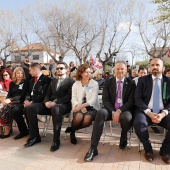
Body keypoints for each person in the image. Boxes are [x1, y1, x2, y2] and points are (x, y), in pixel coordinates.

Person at [84, 61, 136, 162]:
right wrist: (113, 111)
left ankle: (123, 134)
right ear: (114, 70)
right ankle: (93, 148)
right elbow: (105, 99)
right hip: (110, 109)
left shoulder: (131, 83)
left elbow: (131, 101)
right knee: (100, 113)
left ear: (126, 70)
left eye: (122, 69)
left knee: (127, 118)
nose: (120, 71)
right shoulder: (108, 81)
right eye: (117, 69)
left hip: (124, 109)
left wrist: (119, 111)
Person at [24, 62, 74, 152]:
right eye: (57, 68)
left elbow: (68, 97)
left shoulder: (71, 82)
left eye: (61, 68)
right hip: (50, 105)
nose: (58, 70)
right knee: (30, 108)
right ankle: (35, 137)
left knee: (56, 108)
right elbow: (47, 94)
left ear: (66, 70)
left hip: (63, 105)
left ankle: (56, 140)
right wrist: (46, 102)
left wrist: (56, 103)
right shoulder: (53, 81)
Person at [134, 57, 170, 164]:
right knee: (138, 123)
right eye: (152, 65)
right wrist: (149, 113)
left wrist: (163, 114)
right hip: (146, 111)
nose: (154, 67)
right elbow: (138, 99)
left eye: (157, 65)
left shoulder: (168, 81)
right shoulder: (142, 80)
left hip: (163, 112)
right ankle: (148, 149)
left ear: (163, 68)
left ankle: (165, 150)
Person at [13, 63, 51, 140]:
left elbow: (43, 95)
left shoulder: (46, 80)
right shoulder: (31, 80)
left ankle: (33, 134)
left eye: (30, 70)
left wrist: (32, 102)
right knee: (15, 110)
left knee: (28, 108)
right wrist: (26, 100)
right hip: (30, 102)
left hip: (40, 103)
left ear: (35, 69)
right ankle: (23, 131)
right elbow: (28, 92)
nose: (29, 72)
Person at [69, 64, 100, 145]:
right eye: (86, 72)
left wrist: (82, 106)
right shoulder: (76, 84)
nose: (88, 74)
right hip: (78, 106)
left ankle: (72, 129)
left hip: (92, 107)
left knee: (87, 120)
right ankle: (72, 133)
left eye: (89, 72)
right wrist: (79, 106)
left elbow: (93, 100)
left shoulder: (94, 84)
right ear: (80, 73)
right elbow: (74, 98)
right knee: (79, 117)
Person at [0, 67, 29, 138]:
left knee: (6, 109)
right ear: (15, 74)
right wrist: (6, 100)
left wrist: (10, 100)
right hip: (11, 101)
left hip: (20, 101)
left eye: (21, 73)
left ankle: (8, 127)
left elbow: (22, 95)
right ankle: (3, 127)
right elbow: (9, 94)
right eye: (18, 73)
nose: (20, 75)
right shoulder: (12, 83)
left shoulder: (25, 82)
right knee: (1, 107)